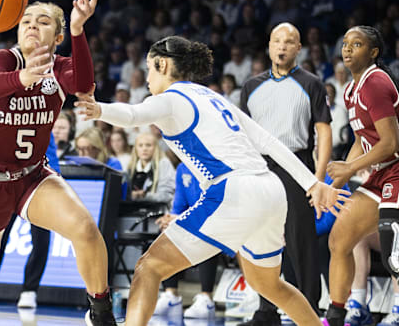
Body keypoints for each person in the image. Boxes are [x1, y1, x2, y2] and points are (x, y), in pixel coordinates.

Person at [74, 35, 348, 326]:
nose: (149, 78)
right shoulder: (212, 96)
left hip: (233, 190)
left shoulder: (171, 98)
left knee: (148, 267)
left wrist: (99, 109)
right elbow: (268, 141)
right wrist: (311, 183)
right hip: (270, 189)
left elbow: (133, 114)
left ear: (162, 64)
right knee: (270, 285)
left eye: (150, 69)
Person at [0, 0, 118, 326]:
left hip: (32, 176)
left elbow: (82, 82)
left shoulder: (61, 66)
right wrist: (23, 77)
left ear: (59, 35)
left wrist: (79, 29)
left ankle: (100, 311)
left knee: (85, 230)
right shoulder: (6, 59)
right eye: (26, 21)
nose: (33, 26)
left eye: (43, 21)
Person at [238, 22, 332, 325]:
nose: (282, 47)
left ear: (298, 49)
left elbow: (324, 131)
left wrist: (316, 179)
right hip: (260, 168)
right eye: (277, 41)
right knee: (261, 239)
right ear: (269, 46)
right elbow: (242, 134)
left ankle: (310, 311)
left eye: (288, 42)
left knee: (300, 241)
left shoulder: (312, 83)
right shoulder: (251, 86)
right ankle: (266, 310)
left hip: (297, 166)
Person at [324, 26, 399, 326]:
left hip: (397, 170)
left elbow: (392, 143)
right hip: (380, 174)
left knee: (393, 251)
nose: (348, 49)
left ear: (373, 52)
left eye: (357, 44)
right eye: (345, 44)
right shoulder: (350, 90)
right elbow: (360, 140)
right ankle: (337, 316)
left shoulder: (376, 82)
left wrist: (351, 169)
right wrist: (335, 183)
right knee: (339, 239)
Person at [0, 133, 61, 310]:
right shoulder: (6, 115)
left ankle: (30, 290)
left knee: (40, 237)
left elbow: (49, 154)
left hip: (38, 182)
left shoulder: (44, 115)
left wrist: (54, 179)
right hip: (8, 182)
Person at [154, 163, 218, 319]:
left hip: (217, 220)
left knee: (206, 234)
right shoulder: (183, 168)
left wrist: (182, 217)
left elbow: (212, 203)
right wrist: (171, 218)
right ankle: (171, 295)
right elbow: (179, 205)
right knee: (167, 230)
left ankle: (207, 298)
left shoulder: (213, 163)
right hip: (191, 220)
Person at [125, 132, 175, 204]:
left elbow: (166, 196)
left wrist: (143, 195)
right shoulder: (131, 166)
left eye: (148, 145)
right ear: (135, 148)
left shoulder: (164, 163)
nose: (144, 149)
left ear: (155, 148)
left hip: (157, 209)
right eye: (140, 145)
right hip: (132, 209)